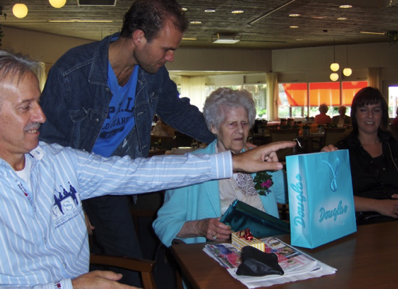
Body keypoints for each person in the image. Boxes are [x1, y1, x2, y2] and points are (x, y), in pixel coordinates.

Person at [0, 50, 295, 288]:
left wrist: (235, 161)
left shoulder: (58, 162)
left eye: (38, 102)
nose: (41, 115)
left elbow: (137, 173)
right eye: (26, 106)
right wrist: (69, 287)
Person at [39, 0, 217, 285]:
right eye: (166, 48)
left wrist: (223, 138)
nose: (170, 57)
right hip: (69, 181)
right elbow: (46, 145)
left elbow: (177, 110)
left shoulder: (152, 74)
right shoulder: (73, 72)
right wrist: (71, 203)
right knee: (73, 266)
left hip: (113, 180)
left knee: (129, 262)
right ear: (138, 37)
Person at [153, 88, 288, 246]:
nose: (240, 130)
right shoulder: (194, 167)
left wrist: (275, 170)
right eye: (231, 124)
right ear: (213, 127)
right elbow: (163, 225)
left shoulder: (259, 159)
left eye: (244, 123)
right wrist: (200, 227)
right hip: (219, 255)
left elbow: (288, 197)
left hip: (268, 248)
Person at [322, 87, 398, 225]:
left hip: (396, 223)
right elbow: (334, 199)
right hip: (357, 225)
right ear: (355, 114)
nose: (370, 115)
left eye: (376, 110)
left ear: (382, 115)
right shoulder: (341, 150)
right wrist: (379, 205)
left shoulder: (394, 146)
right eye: (363, 110)